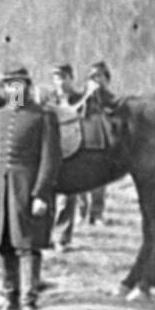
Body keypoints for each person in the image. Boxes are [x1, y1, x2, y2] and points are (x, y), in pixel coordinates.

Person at [0, 67, 60, 310]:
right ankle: (10, 300)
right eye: (10, 85)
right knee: (3, 245)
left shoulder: (42, 117)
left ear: (27, 87)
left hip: (26, 189)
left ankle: (29, 304)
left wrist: (40, 195)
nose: (15, 90)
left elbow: (50, 160)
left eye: (20, 85)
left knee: (28, 245)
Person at [43, 63, 85, 250]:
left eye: (62, 77)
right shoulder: (47, 98)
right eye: (56, 78)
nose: (59, 82)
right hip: (51, 150)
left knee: (69, 197)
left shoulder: (82, 98)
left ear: (70, 78)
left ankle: (62, 238)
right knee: (46, 193)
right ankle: (44, 236)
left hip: (74, 150)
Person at [79, 61, 117, 224]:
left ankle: (97, 214)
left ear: (106, 79)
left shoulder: (112, 99)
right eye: (92, 77)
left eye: (99, 76)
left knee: (99, 183)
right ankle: (81, 213)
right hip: (82, 142)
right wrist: (86, 97)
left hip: (103, 144)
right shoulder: (82, 96)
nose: (96, 80)